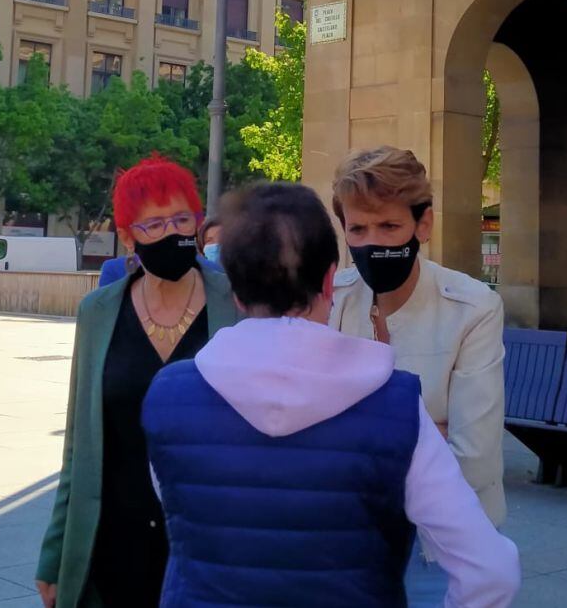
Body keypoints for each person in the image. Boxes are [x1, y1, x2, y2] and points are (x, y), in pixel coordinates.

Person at [143, 183, 520, 607]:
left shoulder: (168, 397)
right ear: (329, 280)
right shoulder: (395, 408)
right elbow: (491, 572)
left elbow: (180, 512)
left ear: (235, 287)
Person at [36, 157, 239, 608]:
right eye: (154, 224)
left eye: (182, 218)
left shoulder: (237, 303)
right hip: (113, 551)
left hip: (207, 551)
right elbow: (78, 444)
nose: (173, 233)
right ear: (127, 237)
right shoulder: (98, 312)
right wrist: (54, 555)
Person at [331, 147, 507, 603]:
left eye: (389, 226)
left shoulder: (472, 307)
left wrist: (356, 444)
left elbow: (474, 453)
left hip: (440, 546)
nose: (373, 242)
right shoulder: (330, 301)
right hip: (347, 544)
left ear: (422, 225)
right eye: (358, 229)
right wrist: (425, 437)